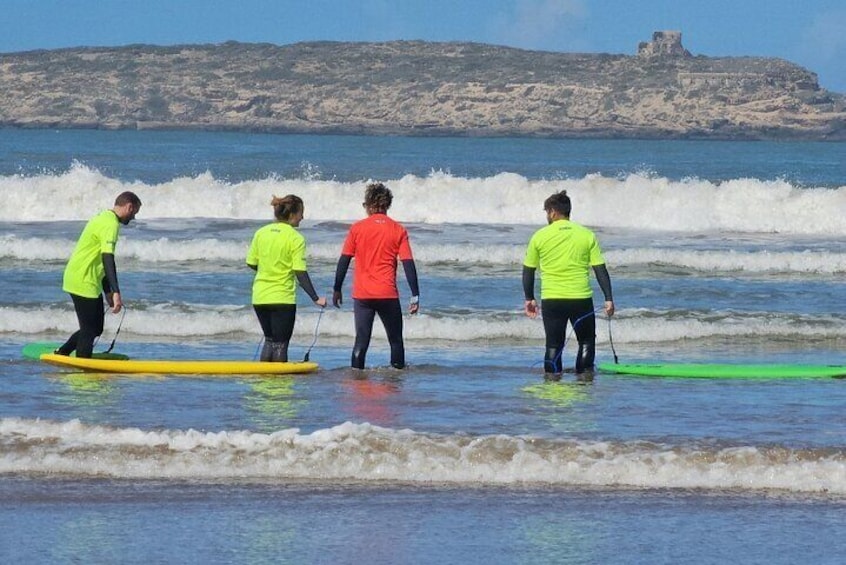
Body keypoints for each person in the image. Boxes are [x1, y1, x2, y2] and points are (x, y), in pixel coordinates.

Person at [522, 190, 615, 376]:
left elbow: (528, 270)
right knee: (587, 341)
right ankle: (583, 381)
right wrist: (608, 298)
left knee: (553, 344)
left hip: (552, 299)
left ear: (553, 212)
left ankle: (552, 384)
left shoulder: (539, 236)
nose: (547, 216)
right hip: (580, 298)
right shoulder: (586, 235)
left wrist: (529, 298)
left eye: (546, 212)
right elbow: (600, 269)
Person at [333, 182, 420, 369]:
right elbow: (408, 263)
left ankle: (356, 378)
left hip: (363, 295)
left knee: (361, 342)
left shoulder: (357, 228)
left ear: (370, 205)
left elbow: (344, 260)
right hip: (387, 294)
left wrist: (336, 289)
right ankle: (396, 382)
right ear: (387, 204)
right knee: (396, 341)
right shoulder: (398, 229)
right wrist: (415, 295)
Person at [56, 191, 142, 358]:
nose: (133, 218)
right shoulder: (111, 224)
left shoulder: (103, 217)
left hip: (83, 277)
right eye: (134, 213)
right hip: (83, 279)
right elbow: (108, 258)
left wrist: (108, 292)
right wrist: (116, 292)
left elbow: (100, 261)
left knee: (95, 328)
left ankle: (63, 352)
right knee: (90, 329)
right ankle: (83, 369)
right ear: (129, 207)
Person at [247, 194, 327, 362]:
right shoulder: (295, 238)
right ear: (292, 215)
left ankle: (265, 382)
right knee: (280, 344)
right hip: (282, 298)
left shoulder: (261, 233)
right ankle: (279, 386)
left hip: (260, 297)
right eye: (301, 213)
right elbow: (300, 272)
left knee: (269, 340)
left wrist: (269, 269)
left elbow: (252, 263)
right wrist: (316, 298)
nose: (302, 217)